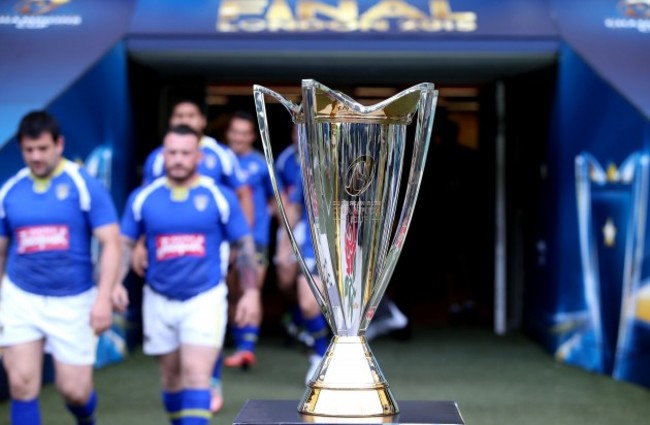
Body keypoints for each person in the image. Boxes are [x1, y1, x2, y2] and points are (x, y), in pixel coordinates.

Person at [112, 124, 261, 425]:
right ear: (163, 156)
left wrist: (252, 293)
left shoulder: (219, 196)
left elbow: (244, 246)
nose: (178, 159)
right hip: (158, 298)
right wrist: (114, 283)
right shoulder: (143, 198)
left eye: (185, 153)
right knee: (171, 381)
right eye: (172, 153)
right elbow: (124, 245)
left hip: (205, 297)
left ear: (199, 156)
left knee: (197, 376)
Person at [0, 110, 121, 425]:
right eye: (29, 150)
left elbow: (111, 242)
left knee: (75, 391)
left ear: (59, 144)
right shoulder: (10, 191)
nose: (36, 157)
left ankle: (86, 419)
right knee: (21, 383)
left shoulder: (84, 184)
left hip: (74, 300)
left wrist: (104, 299)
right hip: (20, 298)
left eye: (43, 148)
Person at [221, 111, 287, 369]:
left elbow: (277, 201)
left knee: (251, 288)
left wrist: (285, 238)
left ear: (252, 136)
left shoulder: (261, 164)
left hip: (255, 239)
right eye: (234, 131)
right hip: (223, 240)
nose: (238, 137)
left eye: (244, 132)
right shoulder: (217, 162)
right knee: (231, 291)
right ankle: (236, 340)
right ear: (229, 134)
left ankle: (246, 349)